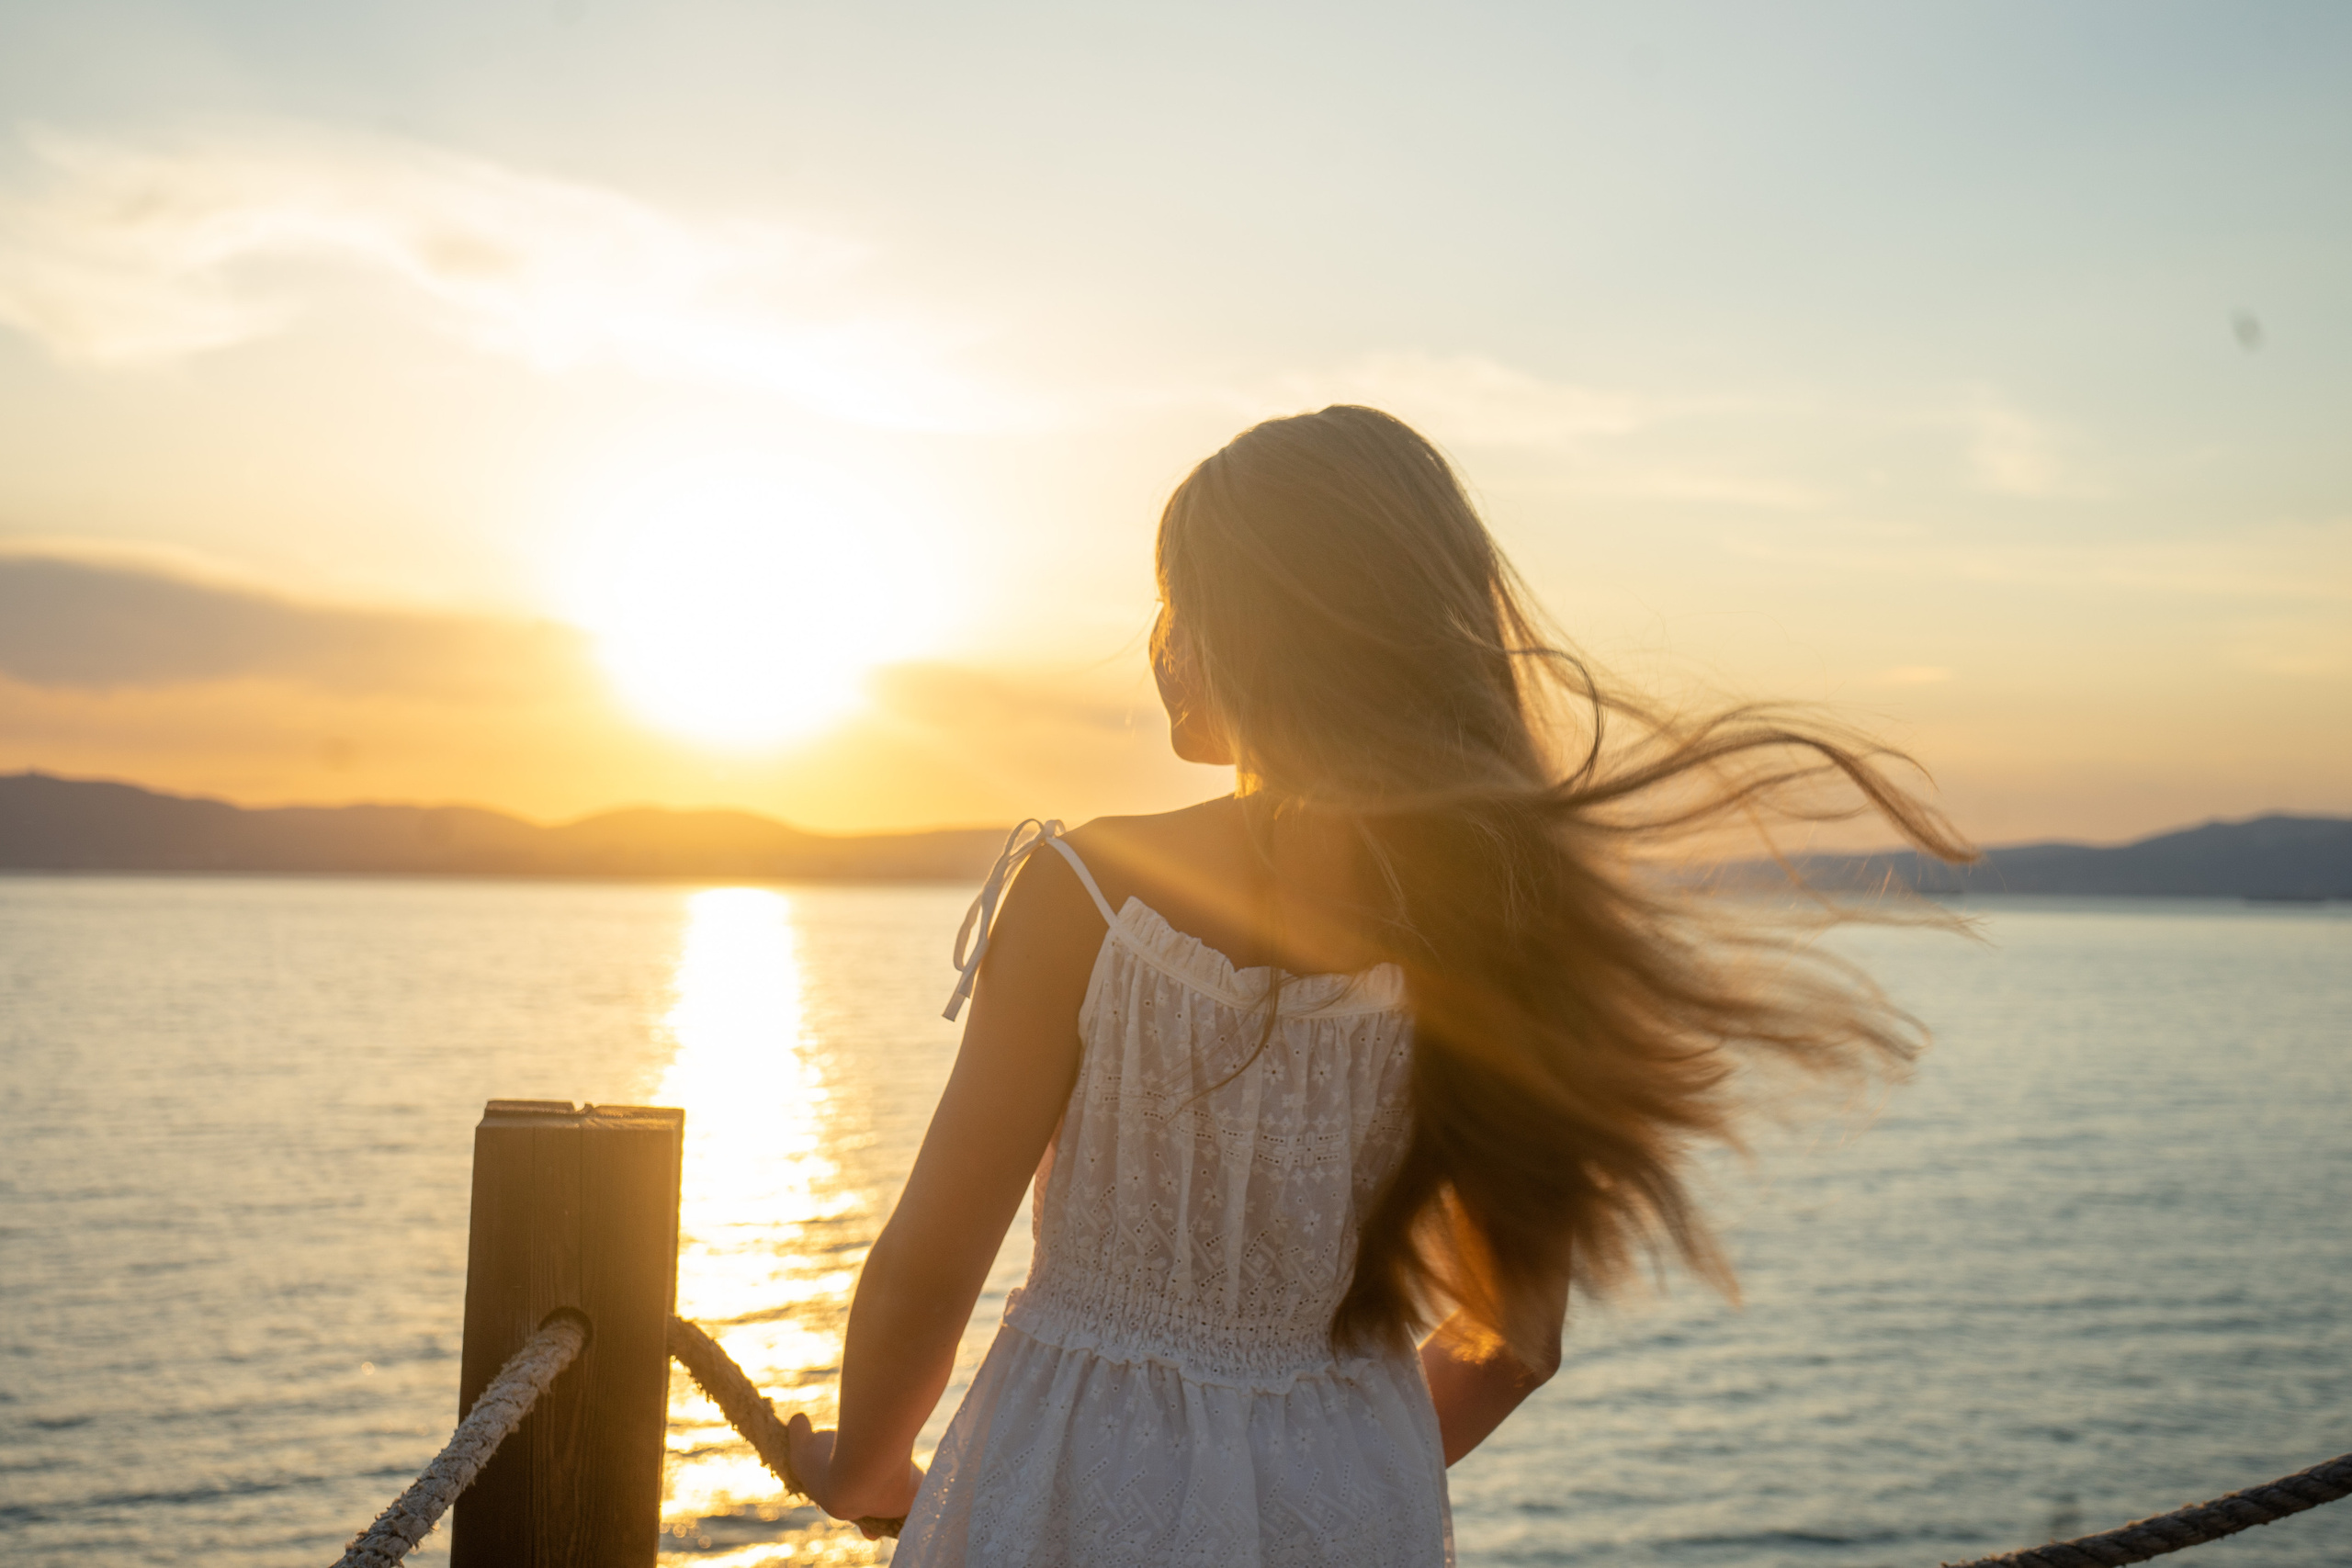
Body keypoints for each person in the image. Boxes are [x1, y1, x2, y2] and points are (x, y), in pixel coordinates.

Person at [785, 405, 1970, 1565]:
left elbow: (934, 1265)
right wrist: (1336, 1471)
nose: (1159, 640)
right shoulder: (1501, 932)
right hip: (1352, 1514)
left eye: (1177, 601)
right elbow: (1521, 1342)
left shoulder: (1090, 891)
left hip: (1066, 1490)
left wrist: (868, 1468)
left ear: (1249, 632)